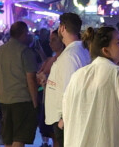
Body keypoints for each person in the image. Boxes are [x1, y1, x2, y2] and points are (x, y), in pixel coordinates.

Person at [44, 13, 91, 147]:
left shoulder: (70, 55)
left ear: (62, 28)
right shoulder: (80, 50)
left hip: (66, 120)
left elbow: (70, 90)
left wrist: (64, 119)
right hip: (69, 118)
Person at [0, 21, 38, 147]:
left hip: (3, 100)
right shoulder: (25, 51)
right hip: (21, 100)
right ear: (23, 33)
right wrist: (35, 103)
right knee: (19, 137)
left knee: (8, 139)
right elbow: (31, 79)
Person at [37, 29, 65, 147]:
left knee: (57, 135)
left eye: (54, 40)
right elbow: (38, 76)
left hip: (58, 102)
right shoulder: (51, 60)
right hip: (48, 100)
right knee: (54, 135)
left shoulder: (64, 60)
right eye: (50, 40)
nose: (50, 43)